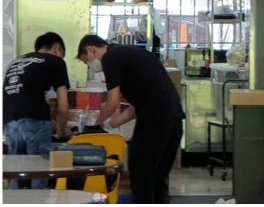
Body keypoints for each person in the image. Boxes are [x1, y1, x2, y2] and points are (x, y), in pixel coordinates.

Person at [77, 34, 185, 204]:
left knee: (140, 174)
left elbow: (112, 102)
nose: (91, 66)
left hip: (153, 122)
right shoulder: (135, 54)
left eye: (87, 62)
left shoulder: (110, 58)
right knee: (158, 177)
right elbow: (138, 104)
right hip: (174, 120)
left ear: (90, 49)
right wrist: (112, 123)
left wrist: (95, 126)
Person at [3, 32, 72, 189]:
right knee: (38, 174)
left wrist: (55, 125)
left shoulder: (16, 61)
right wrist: (61, 131)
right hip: (34, 121)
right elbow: (63, 106)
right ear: (57, 49)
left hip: (9, 122)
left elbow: (24, 103)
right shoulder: (56, 61)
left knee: (17, 174)